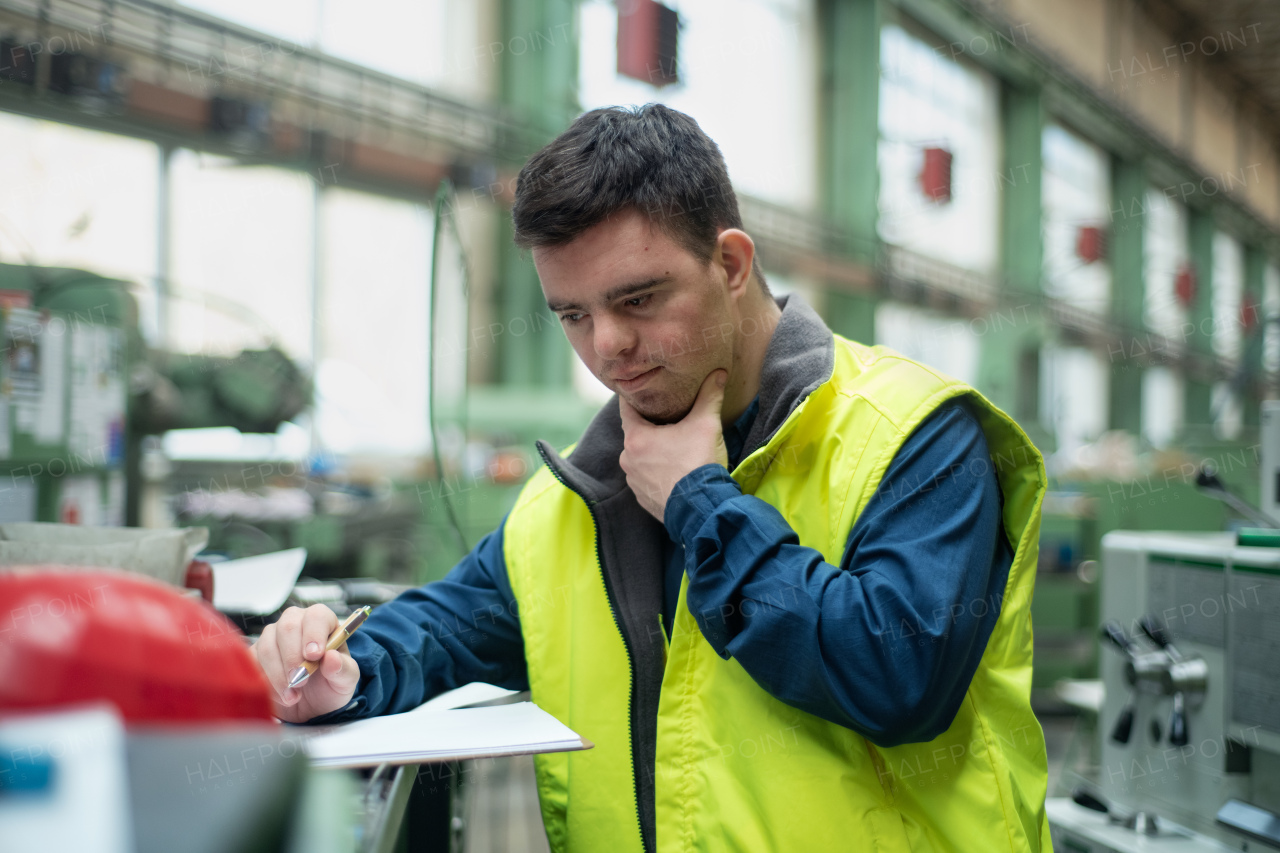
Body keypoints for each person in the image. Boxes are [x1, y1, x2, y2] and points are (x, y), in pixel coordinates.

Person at [252, 103, 1052, 851]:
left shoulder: (912, 436)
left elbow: (897, 677)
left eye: (638, 298)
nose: (606, 346)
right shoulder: (578, 499)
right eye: (572, 314)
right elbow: (447, 628)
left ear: (732, 262)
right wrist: (345, 669)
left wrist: (703, 504)